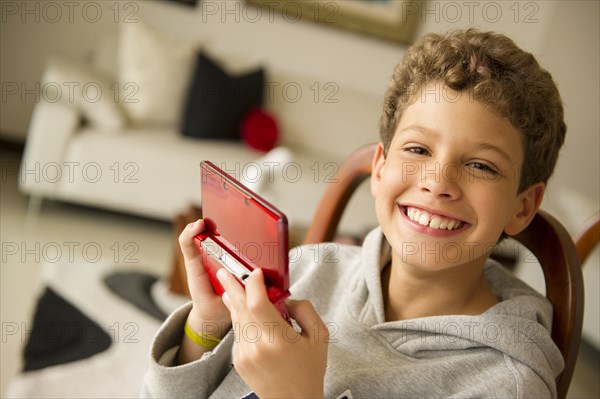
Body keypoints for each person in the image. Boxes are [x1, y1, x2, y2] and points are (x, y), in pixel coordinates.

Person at [142, 29, 566, 398]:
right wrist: (207, 327)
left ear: (523, 206)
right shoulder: (308, 269)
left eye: (481, 166)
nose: (438, 182)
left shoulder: (506, 384)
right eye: (417, 149)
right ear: (379, 170)